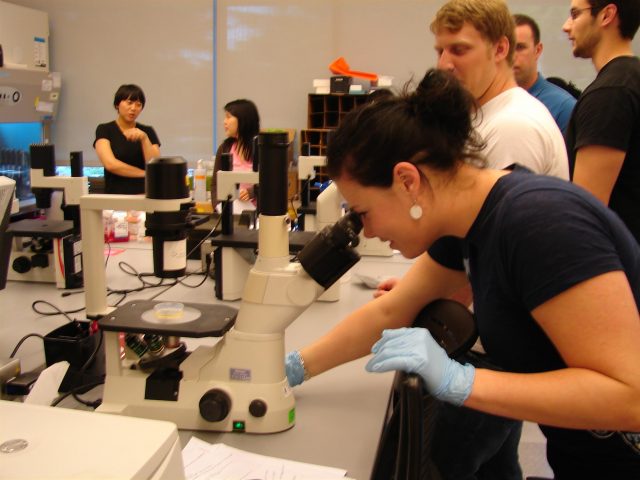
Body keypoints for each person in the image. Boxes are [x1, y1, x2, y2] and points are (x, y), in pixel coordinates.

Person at [286, 68, 640, 479]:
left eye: (364, 212)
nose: (367, 231)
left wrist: (459, 381)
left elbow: (630, 396)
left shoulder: (539, 222)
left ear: (407, 181)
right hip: (578, 450)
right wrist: (291, 368)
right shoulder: (466, 221)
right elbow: (391, 312)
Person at [433, 0, 569, 181]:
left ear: (500, 49)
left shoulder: (514, 126)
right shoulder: (491, 114)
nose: (443, 65)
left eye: (459, 50)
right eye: (440, 51)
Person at [562, 0, 640, 244]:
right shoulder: (629, 80)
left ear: (607, 15)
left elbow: (588, 210)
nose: (566, 26)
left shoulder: (610, 94)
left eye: (575, 14)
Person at [513, 13, 577, 134]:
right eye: (506, 48)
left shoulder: (563, 107)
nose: (512, 55)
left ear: (537, 50)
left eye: (520, 47)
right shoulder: (487, 102)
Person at [94, 84, 160, 194]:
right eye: (129, 103)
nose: (133, 108)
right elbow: (111, 164)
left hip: (145, 195)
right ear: (117, 104)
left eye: (138, 105)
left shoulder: (147, 131)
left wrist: (144, 139)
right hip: (116, 196)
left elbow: (154, 165)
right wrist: (144, 173)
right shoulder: (105, 129)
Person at [211, 99, 260, 211]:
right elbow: (215, 185)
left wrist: (252, 192)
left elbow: (272, 183)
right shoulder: (224, 148)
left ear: (243, 120)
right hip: (229, 214)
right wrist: (218, 207)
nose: (224, 122)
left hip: (257, 216)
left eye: (228, 117)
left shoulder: (261, 149)